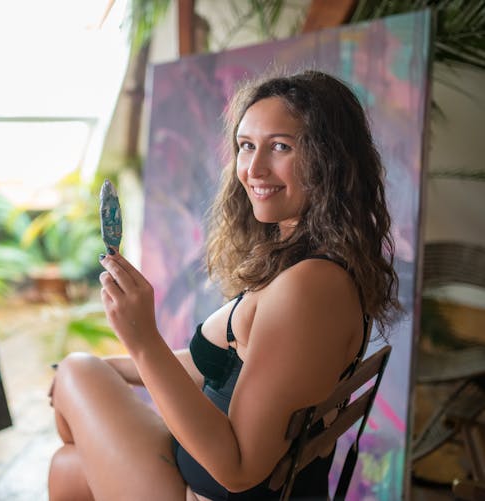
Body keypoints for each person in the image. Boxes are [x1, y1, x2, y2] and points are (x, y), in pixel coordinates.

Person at [47, 70, 400, 500]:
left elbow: (239, 469)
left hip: (211, 491)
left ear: (329, 159)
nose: (253, 168)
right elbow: (216, 366)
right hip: (199, 476)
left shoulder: (310, 287)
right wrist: (120, 364)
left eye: (281, 147)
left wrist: (142, 340)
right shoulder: (304, 264)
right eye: (246, 146)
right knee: (70, 460)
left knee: (75, 372)